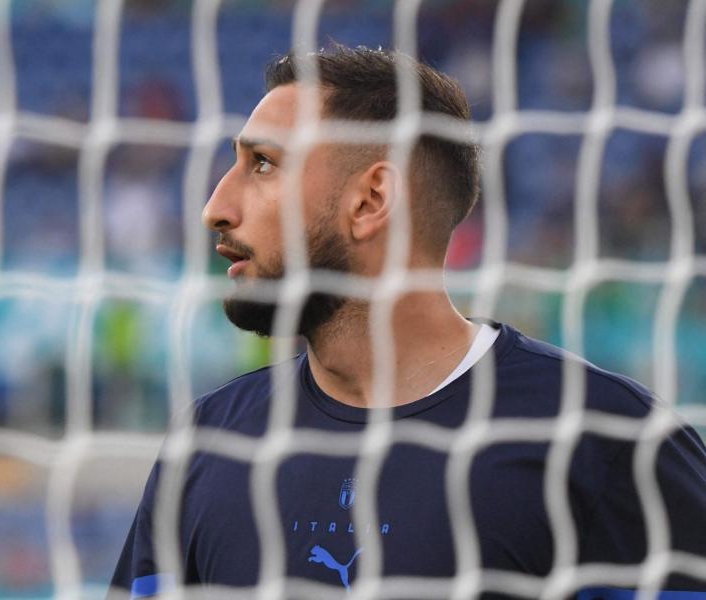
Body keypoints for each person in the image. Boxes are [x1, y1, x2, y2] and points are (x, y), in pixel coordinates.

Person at [109, 46, 706, 598]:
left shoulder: (610, 441)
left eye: (263, 165)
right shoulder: (210, 443)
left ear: (370, 201)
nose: (216, 208)